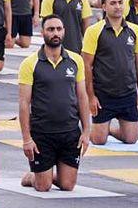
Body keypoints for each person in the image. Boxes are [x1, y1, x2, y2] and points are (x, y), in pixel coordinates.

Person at [18, 15, 91, 191]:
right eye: (51, 29)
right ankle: (33, 176)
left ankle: (50, 174)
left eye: (59, 29)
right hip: (42, 133)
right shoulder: (30, 64)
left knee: (68, 185)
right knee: (43, 186)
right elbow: (23, 103)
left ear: (64, 31)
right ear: (43, 32)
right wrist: (27, 139)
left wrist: (87, 131)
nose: (55, 33)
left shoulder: (75, 60)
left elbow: (82, 97)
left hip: (69, 132)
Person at [83, 0, 138, 145]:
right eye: (112, 3)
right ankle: (97, 130)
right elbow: (86, 65)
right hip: (104, 94)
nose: (118, 7)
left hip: (127, 93)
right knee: (98, 140)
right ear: (104, 7)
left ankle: (108, 130)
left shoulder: (134, 30)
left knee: (131, 139)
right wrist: (91, 97)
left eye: (120, 3)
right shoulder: (94, 31)